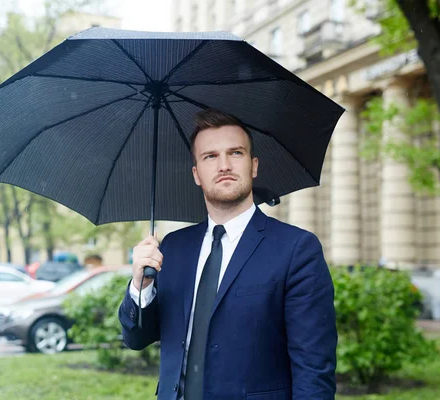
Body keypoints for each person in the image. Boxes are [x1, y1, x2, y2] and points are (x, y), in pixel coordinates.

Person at [118, 109, 337, 400]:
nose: (224, 165)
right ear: (196, 173)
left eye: (235, 153)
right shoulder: (173, 247)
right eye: (210, 156)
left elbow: (314, 369)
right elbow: (137, 338)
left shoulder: (296, 249)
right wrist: (140, 287)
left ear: (253, 165)